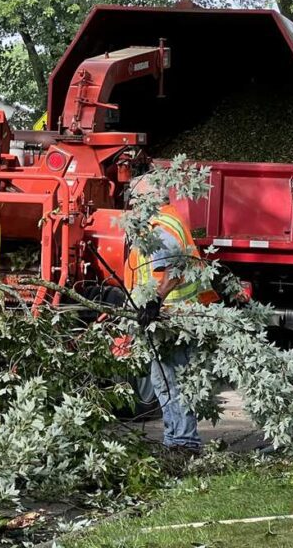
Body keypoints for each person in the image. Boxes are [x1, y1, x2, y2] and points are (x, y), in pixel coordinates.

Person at [125, 176, 218, 453]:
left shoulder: (160, 226)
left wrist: (154, 302)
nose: (132, 207)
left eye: (135, 200)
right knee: (165, 380)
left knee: (170, 382)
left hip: (172, 317)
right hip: (176, 315)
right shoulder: (168, 218)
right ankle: (176, 439)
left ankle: (183, 442)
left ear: (148, 200)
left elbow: (175, 268)